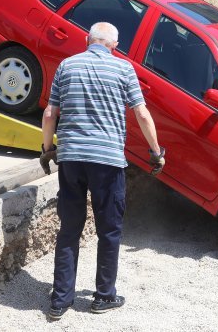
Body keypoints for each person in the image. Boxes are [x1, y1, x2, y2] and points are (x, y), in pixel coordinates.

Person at [40, 22, 164, 320]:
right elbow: (142, 114)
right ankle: (103, 297)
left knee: (69, 229)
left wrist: (47, 150)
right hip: (108, 161)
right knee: (109, 230)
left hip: (71, 159)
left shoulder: (66, 66)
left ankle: (60, 301)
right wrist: (156, 152)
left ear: (87, 40)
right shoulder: (124, 70)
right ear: (114, 46)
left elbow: (49, 113)